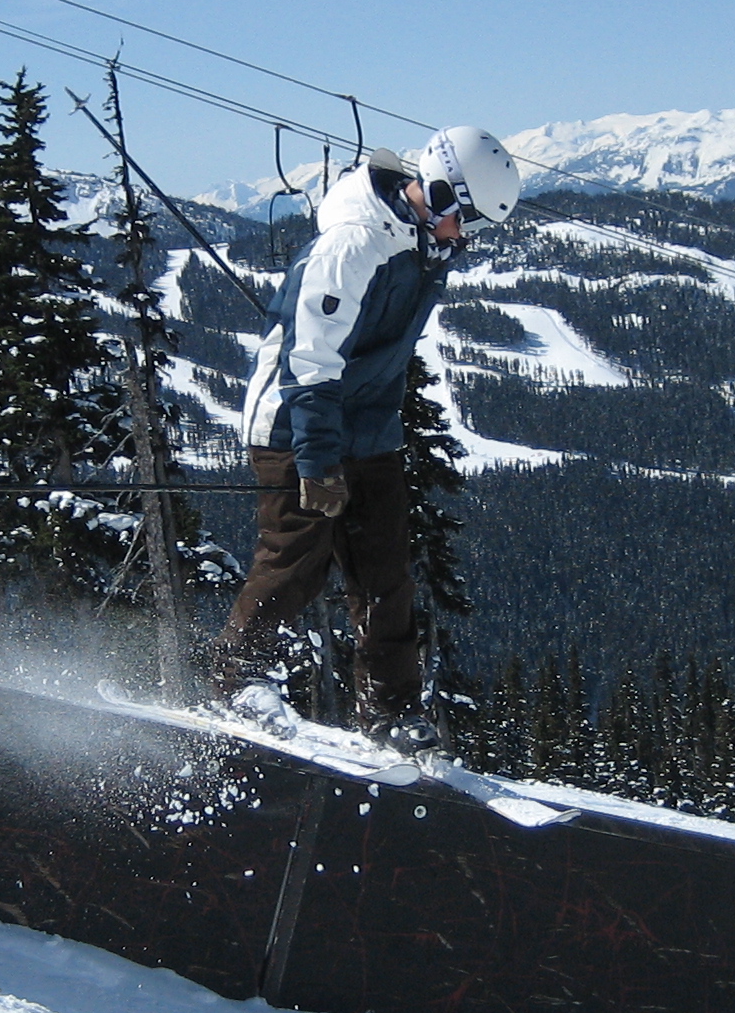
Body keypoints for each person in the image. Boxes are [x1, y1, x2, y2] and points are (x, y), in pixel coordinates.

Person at [208, 126, 521, 749]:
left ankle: (389, 712)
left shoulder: (422, 246)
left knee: (385, 572)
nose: (467, 237)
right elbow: (311, 359)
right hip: (295, 420)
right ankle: (236, 681)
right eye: (469, 219)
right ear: (438, 191)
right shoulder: (355, 243)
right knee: (297, 558)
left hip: (369, 427)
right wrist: (318, 458)